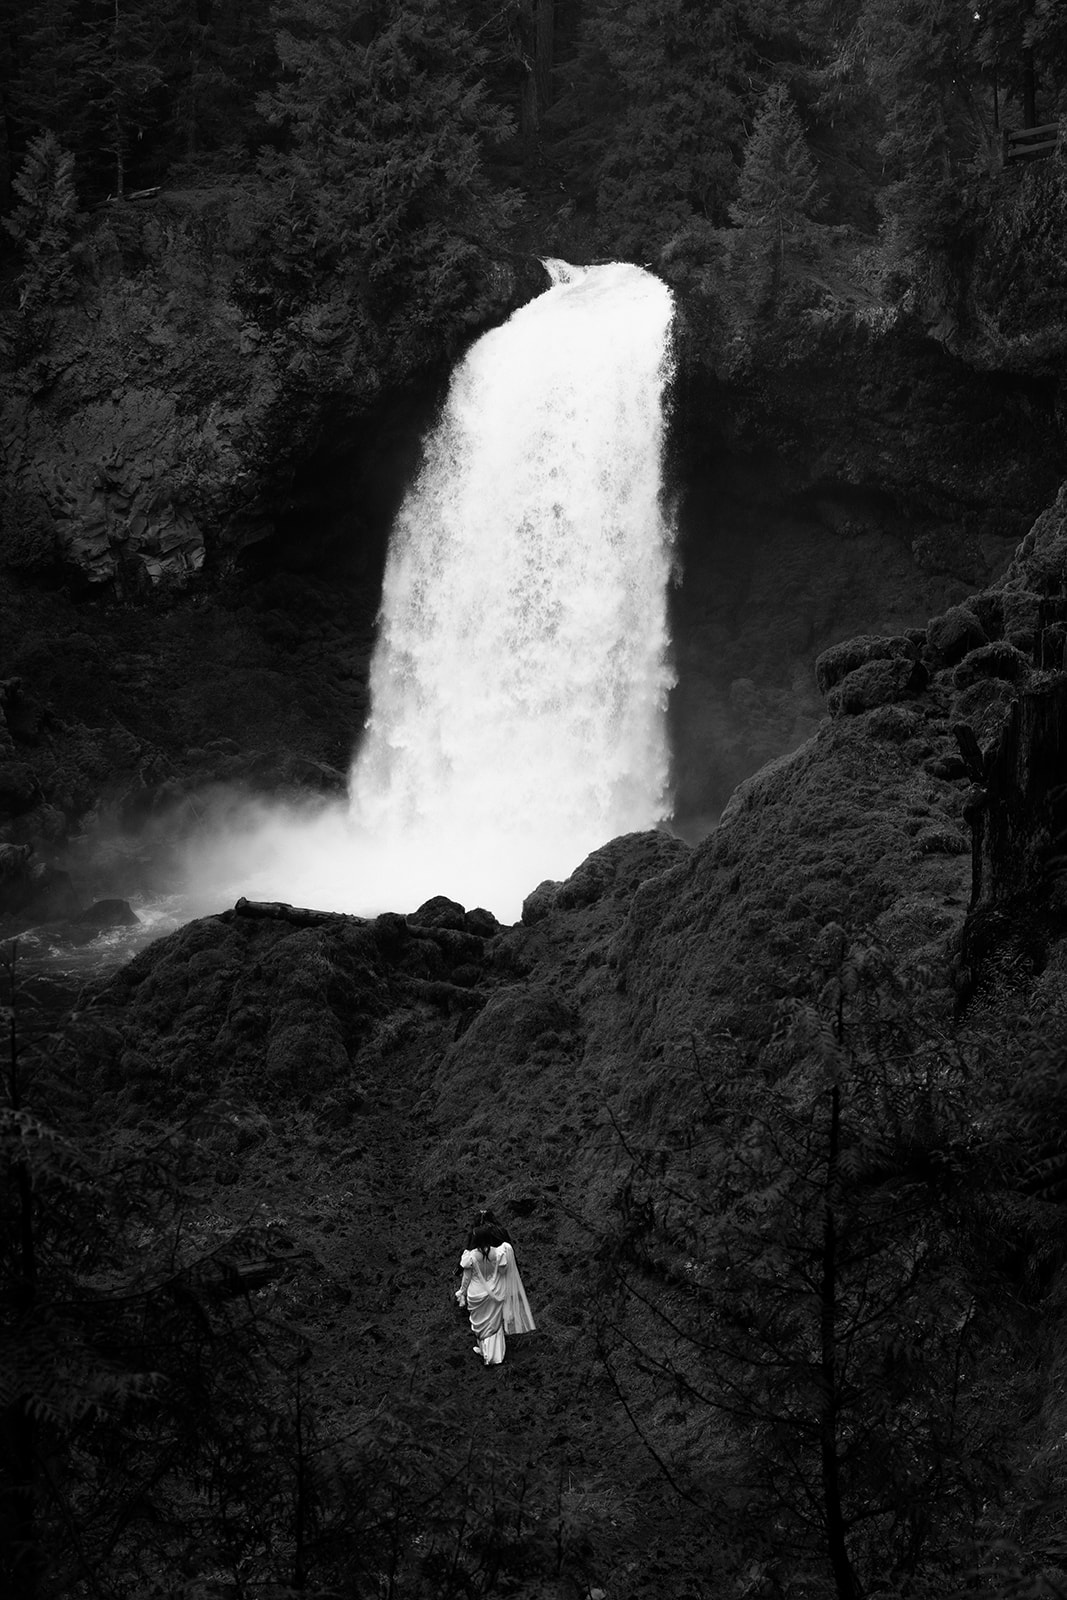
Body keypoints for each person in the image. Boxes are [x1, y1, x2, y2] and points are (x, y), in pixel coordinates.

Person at [455, 1223, 536, 1365]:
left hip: (476, 1293)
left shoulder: (470, 1256)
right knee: (494, 1323)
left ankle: (485, 1351)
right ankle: (495, 1354)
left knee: (479, 1323)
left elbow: (466, 1278)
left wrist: (461, 1292)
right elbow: (504, 1271)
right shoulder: (499, 1252)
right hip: (496, 1291)